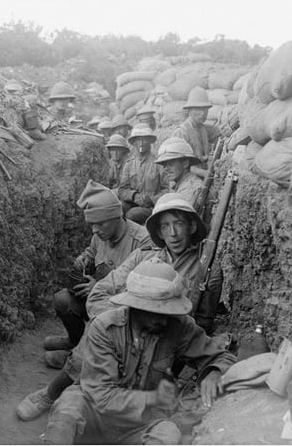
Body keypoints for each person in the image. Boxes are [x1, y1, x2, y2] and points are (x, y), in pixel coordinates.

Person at [42, 260, 235, 444]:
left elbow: (221, 355)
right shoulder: (105, 328)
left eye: (168, 310)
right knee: (70, 405)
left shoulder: (178, 325)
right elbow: (101, 396)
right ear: (135, 307)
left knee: (167, 433)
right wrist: (155, 398)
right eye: (156, 311)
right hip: (97, 416)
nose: (164, 318)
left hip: (143, 423)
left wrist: (214, 371)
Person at [42, 180, 153, 368]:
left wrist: (98, 287)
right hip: (98, 299)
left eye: (100, 224)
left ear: (116, 217)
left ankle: (87, 361)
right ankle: (74, 342)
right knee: (63, 300)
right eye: (91, 224)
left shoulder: (142, 241)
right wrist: (84, 258)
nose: (94, 230)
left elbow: (144, 291)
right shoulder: (100, 235)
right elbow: (92, 252)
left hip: (126, 310)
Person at [88, 193, 222, 334]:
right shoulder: (142, 257)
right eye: (165, 226)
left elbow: (203, 325)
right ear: (158, 232)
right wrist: (124, 323)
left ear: (192, 226)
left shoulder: (208, 268)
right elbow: (98, 294)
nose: (173, 233)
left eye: (179, 224)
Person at [116, 123, 166, 224]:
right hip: (133, 202)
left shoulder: (159, 163)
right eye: (138, 139)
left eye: (145, 139)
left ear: (150, 141)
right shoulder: (129, 164)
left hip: (152, 206)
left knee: (132, 214)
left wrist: (152, 200)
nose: (141, 143)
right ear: (133, 142)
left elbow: (168, 189)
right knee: (118, 208)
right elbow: (122, 190)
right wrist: (134, 196)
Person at [172, 87, 221, 178]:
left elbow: (221, 132)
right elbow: (178, 166)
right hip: (186, 179)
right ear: (189, 110)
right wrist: (203, 172)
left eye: (205, 109)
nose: (203, 113)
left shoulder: (203, 128)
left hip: (204, 177)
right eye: (198, 109)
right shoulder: (181, 133)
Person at [154, 138, 204, 206]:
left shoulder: (189, 189)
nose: (166, 169)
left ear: (185, 164)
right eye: (164, 165)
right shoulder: (181, 184)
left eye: (171, 164)